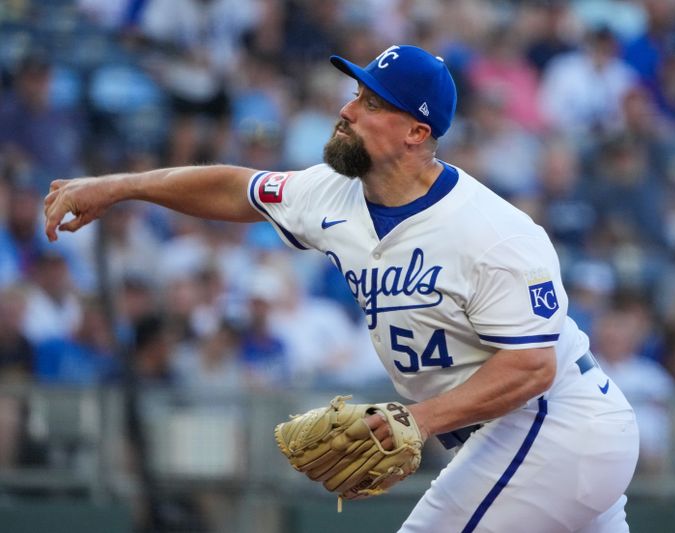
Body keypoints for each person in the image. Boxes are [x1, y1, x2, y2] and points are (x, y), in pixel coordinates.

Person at [43, 44, 639, 532]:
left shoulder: (494, 232)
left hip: (555, 422)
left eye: (371, 102)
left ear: (415, 131)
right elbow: (235, 188)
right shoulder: (331, 193)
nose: (348, 110)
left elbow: (531, 367)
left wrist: (419, 419)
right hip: (529, 441)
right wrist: (121, 186)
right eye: (355, 93)